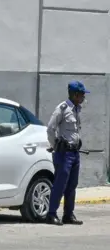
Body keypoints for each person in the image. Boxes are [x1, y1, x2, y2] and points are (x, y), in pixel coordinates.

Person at [45, 80, 88, 226]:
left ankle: (68, 214)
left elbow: (75, 130)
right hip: (64, 153)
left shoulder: (77, 109)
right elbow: (50, 128)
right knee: (60, 184)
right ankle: (51, 214)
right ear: (75, 95)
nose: (83, 97)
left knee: (72, 184)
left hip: (74, 152)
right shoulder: (62, 108)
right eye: (82, 94)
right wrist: (55, 145)